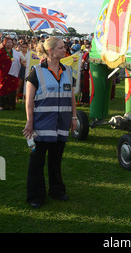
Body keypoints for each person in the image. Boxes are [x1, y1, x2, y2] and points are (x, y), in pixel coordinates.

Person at [23, 37, 77, 208]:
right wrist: (29, 122)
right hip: (40, 126)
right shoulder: (36, 71)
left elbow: (72, 97)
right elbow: (29, 100)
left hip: (61, 125)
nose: (65, 49)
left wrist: (74, 117)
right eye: (61, 47)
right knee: (37, 163)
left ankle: (57, 191)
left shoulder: (68, 71)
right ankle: (35, 197)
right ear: (51, 51)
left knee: (56, 160)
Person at [0, 37, 21, 110]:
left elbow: (19, 61)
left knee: (12, 89)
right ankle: (2, 105)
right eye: (8, 42)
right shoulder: (1, 52)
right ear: (4, 43)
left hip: (13, 74)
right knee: (3, 89)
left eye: (11, 42)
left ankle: (11, 106)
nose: (9, 44)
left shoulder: (15, 53)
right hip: (3, 74)